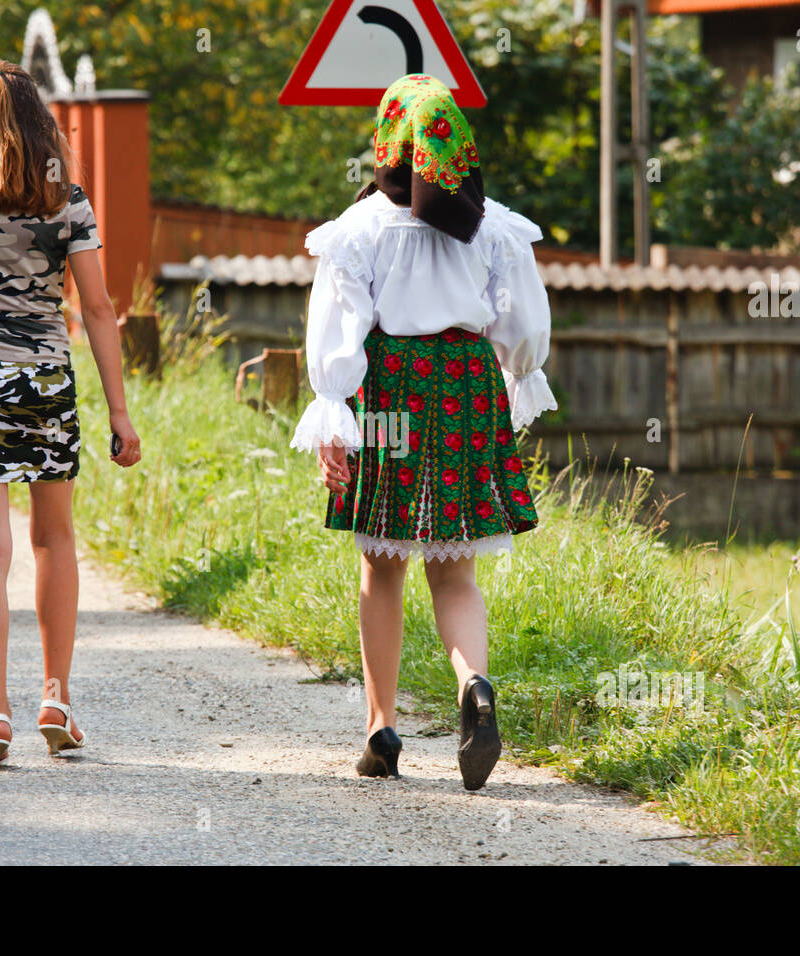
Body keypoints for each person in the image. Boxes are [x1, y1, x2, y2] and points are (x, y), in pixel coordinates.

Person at [290, 74, 557, 791]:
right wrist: (512, 376)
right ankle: (474, 684)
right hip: (467, 385)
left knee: (383, 564)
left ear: (388, 140)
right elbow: (524, 329)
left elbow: (337, 337)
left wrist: (333, 417)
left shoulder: (357, 230)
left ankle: (381, 726)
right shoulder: (496, 226)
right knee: (455, 567)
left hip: (393, 390)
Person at [0, 60, 141, 770]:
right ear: (39, 123)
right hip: (44, 380)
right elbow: (99, 310)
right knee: (53, 537)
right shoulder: (66, 201)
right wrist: (120, 412)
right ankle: (56, 697)